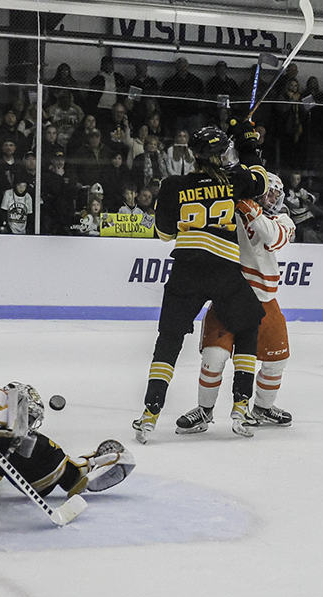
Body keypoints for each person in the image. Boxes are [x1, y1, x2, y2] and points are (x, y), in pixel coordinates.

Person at [132, 124, 269, 443]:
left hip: (187, 270)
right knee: (249, 326)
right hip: (223, 270)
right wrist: (249, 144)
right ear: (220, 155)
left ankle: (149, 414)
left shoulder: (173, 184)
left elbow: (165, 234)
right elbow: (259, 179)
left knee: (168, 340)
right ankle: (240, 406)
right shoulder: (234, 180)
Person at [174, 171, 296, 436]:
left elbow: (273, 237)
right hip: (230, 294)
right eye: (270, 192)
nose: (274, 198)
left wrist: (249, 207)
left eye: (277, 194)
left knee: (277, 361)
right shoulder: (234, 211)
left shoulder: (283, 219)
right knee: (214, 357)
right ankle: (204, 411)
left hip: (266, 301)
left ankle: (262, 409)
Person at [0, 383, 134, 528]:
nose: (26, 424)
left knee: (27, 448)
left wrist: (88, 468)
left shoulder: (17, 447)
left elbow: (59, 477)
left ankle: (89, 465)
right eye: (25, 416)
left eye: (30, 420)